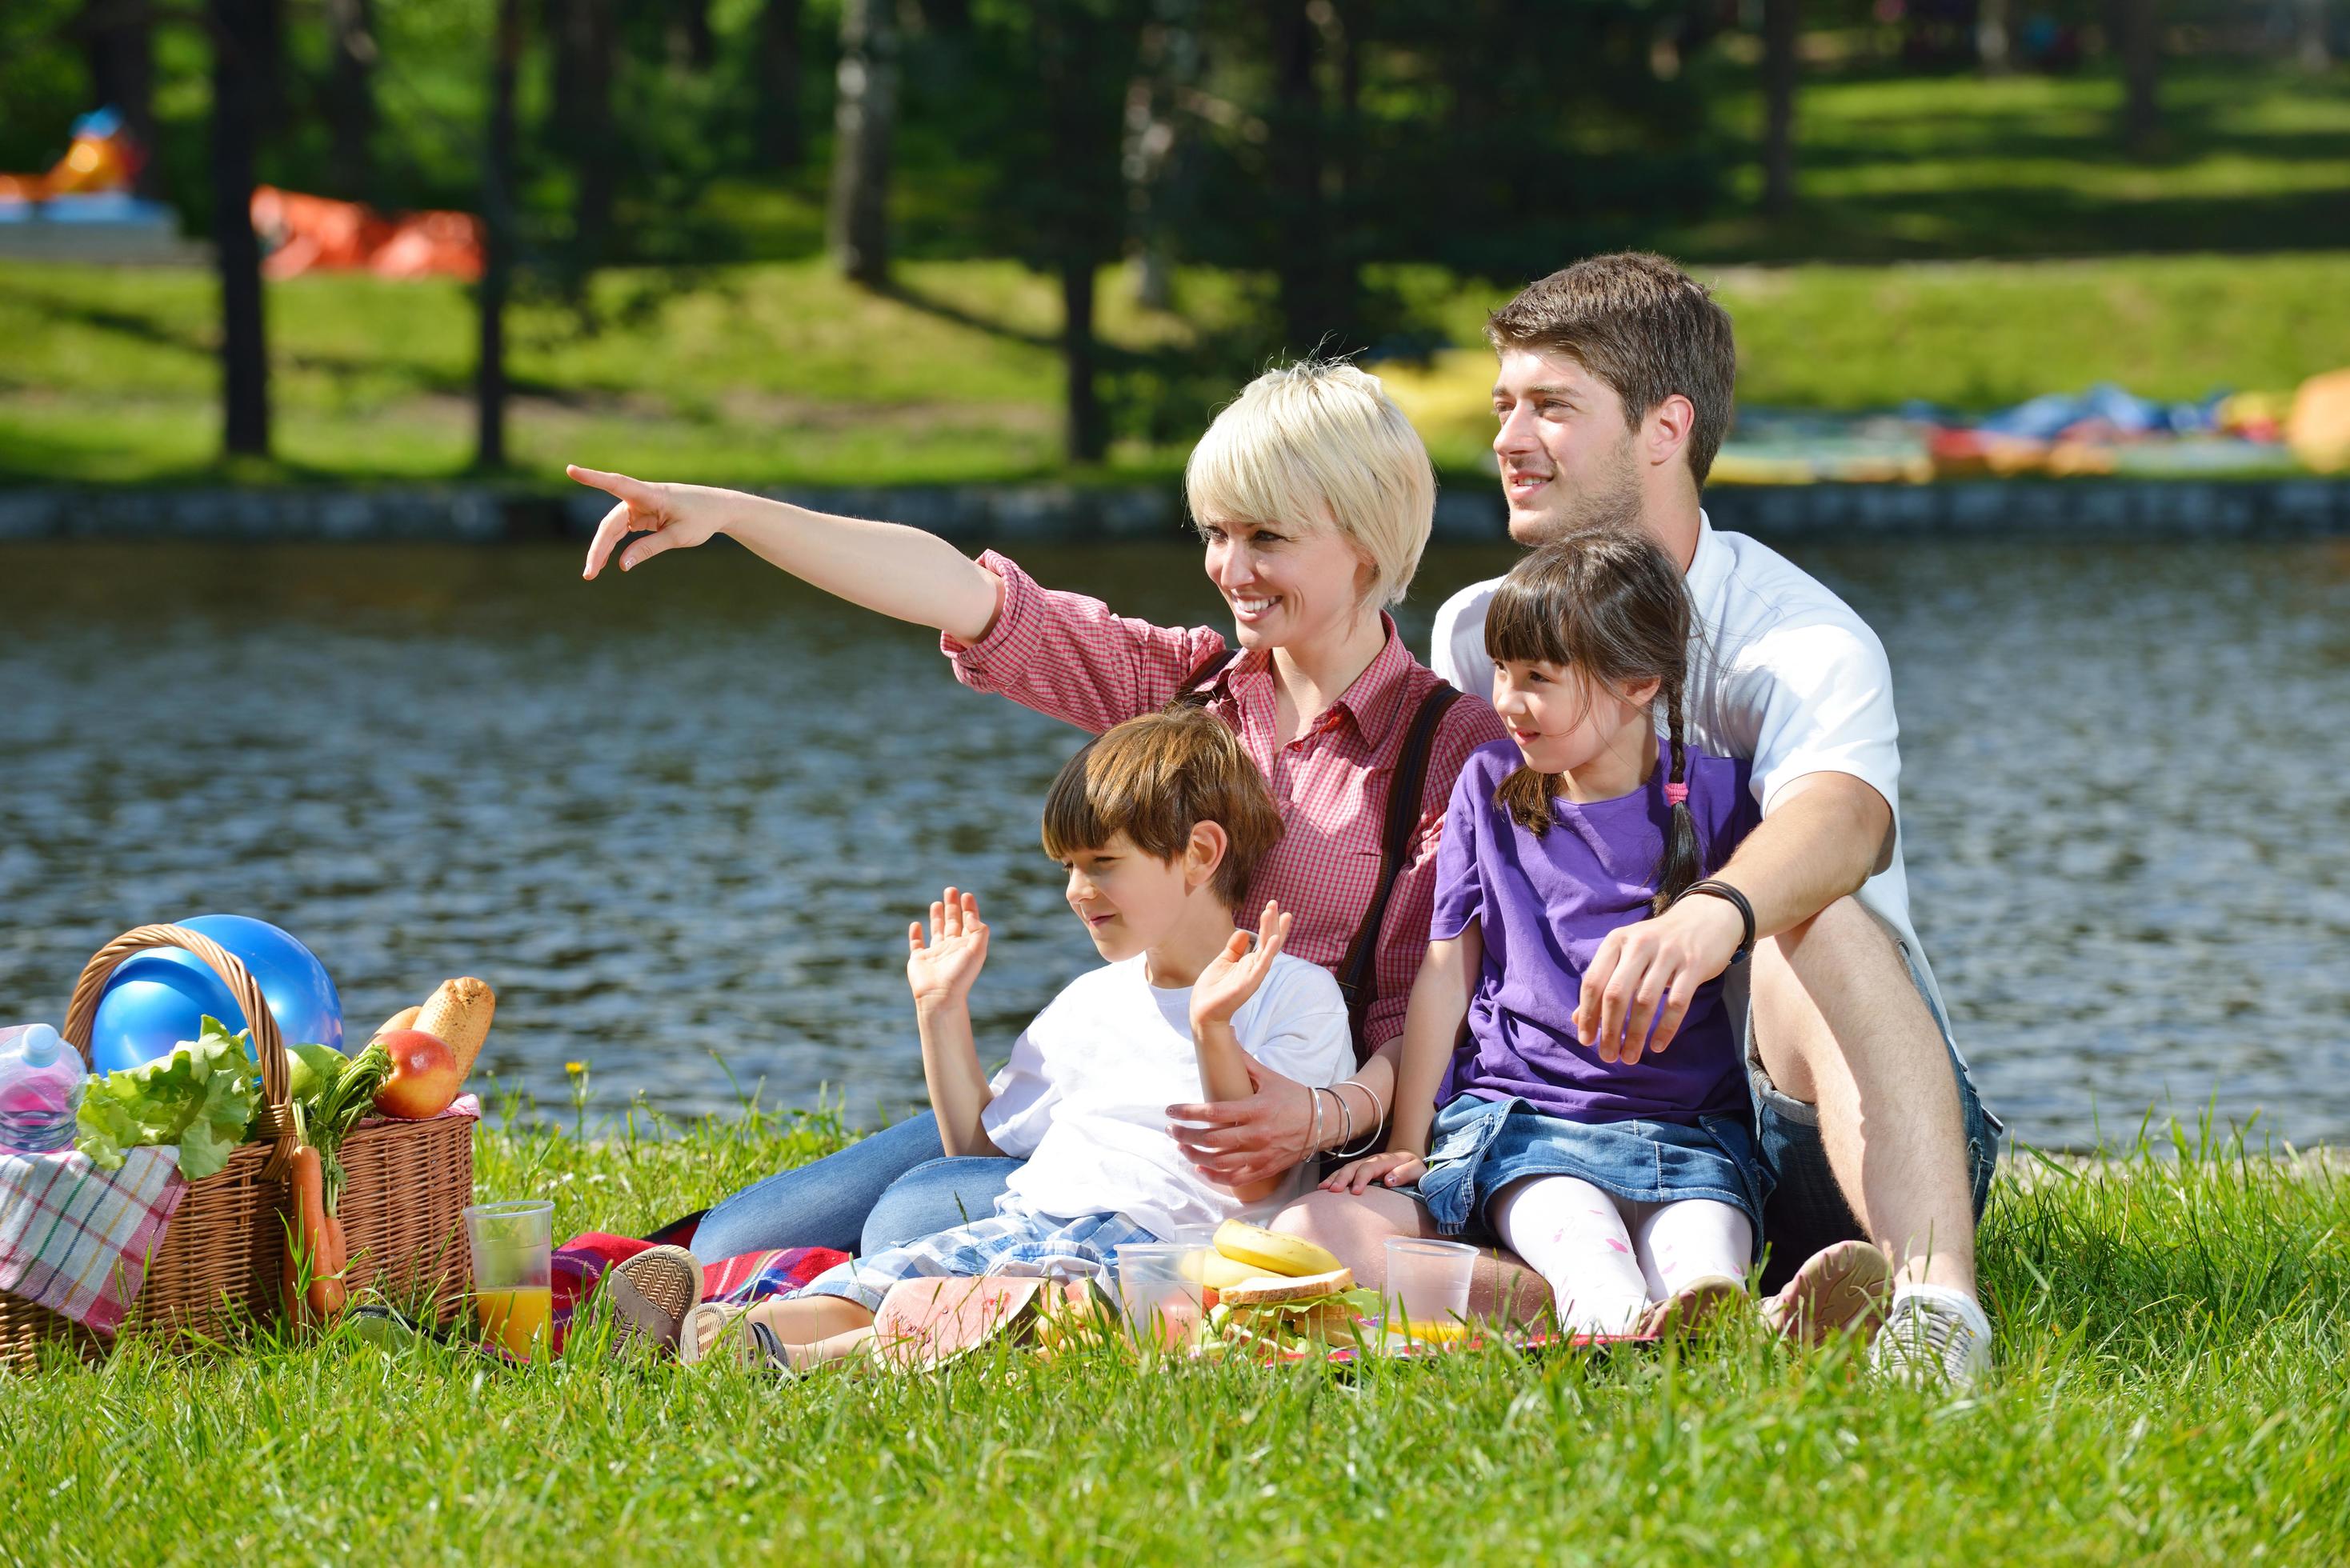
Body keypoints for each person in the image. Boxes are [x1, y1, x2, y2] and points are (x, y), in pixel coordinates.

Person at [567, 360, 1505, 1267]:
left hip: (1268, 1151)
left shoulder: (1447, 746)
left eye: (1267, 538)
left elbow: (1422, 1012)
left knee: (912, 1220)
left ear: (1368, 541)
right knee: (736, 1238)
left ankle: (861, 1301)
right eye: (1217, 533)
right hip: (1108, 1106)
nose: (1230, 567)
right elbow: (965, 595)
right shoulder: (1182, 690)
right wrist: (731, 514)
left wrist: (1323, 1115)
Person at [1339, 251, 2000, 1381]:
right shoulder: (1480, 630)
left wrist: (1712, 915)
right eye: (1503, 404)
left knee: (1813, 911)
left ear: (1664, 428)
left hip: (1809, 1126)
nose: (1505, 437)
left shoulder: (1799, 636)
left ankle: (1937, 1314)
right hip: (1566, 1112)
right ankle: (1648, 1303)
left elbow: (1842, 822)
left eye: (1551, 405)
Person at [1325, 530, 1896, 1338]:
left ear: (1638, 683)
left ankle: (1738, 1322)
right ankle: (1642, 1325)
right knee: (1586, 1252)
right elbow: (1445, 971)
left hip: (1689, 1135)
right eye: (1502, 672)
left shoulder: (1720, 798)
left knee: (1703, 1261)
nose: (1508, 699)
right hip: (1528, 1125)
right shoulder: (1487, 788)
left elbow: (1847, 849)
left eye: (1538, 679)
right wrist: (1412, 1141)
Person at [681, 710, 1355, 1369]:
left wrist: (1211, 1030)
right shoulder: (1091, 999)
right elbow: (974, 1152)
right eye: (1066, 866)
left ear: (1200, 854)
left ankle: (784, 1361)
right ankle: (700, 1331)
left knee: (987, 1315)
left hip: (1156, 1254)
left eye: (1101, 862)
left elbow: (1254, 1177)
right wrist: (941, 1013)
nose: (1075, 890)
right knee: (865, 1289)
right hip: (1029, 1223)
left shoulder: (1293, 994)